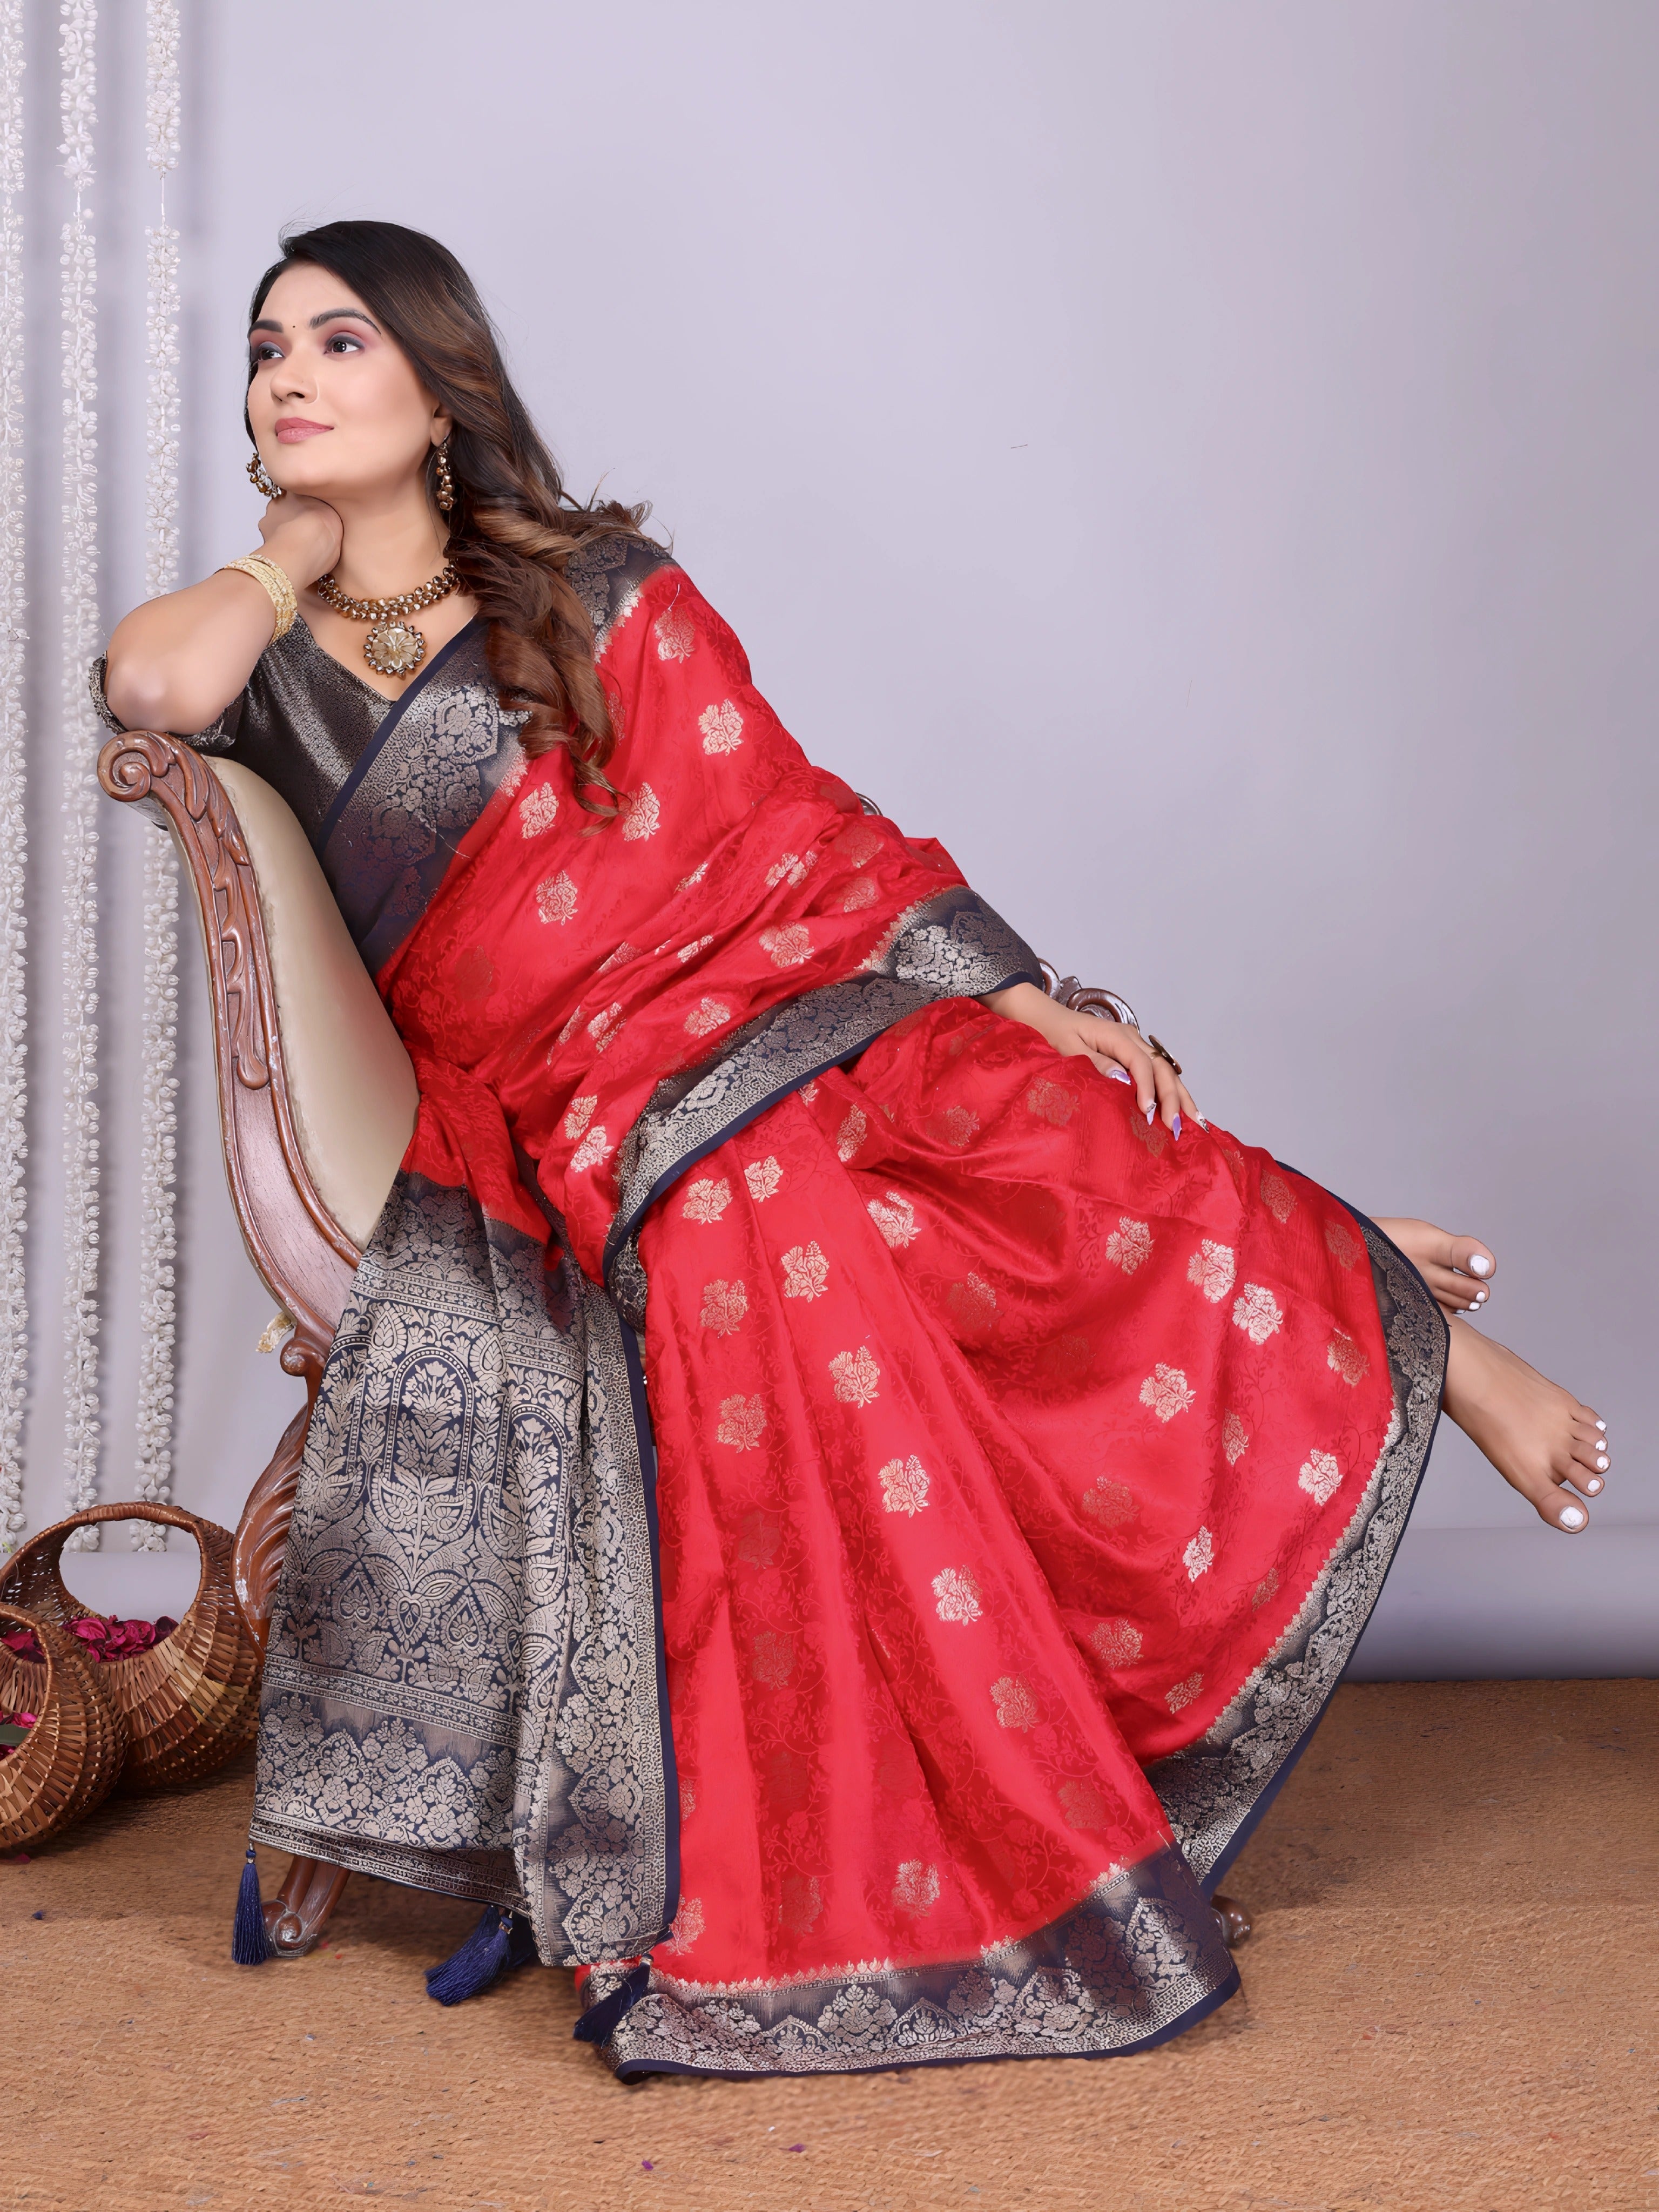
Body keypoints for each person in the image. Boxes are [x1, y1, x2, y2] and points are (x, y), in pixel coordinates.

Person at [97, 222, 1609, 2080]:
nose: (291, 376)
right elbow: (147, 688)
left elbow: (795, 826)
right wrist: (291, 549)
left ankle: (1394, 1318)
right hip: (571, 1090)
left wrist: (1022, 989)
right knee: (778, 1201)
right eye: (269, 351)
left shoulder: (597, 591)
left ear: (439, 385)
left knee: (1017, 1104)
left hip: (754, 997)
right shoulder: (261, 644)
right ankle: (1352, 1271)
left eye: (340, 342)